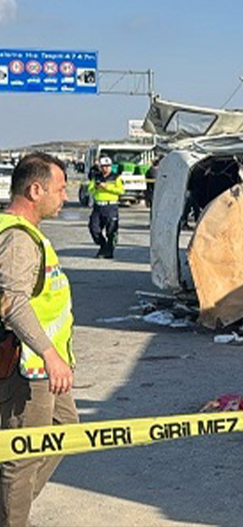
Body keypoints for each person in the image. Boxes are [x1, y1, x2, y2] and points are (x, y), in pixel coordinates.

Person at [0, 153, 78, 527]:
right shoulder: (17, 238)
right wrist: (49, 353)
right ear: (35, 190)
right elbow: (12, 303)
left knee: (65, 431)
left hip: (46, 366)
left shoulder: (28, 234)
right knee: (24, 455)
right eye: (60, 189)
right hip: (29, 366)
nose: (65, 197)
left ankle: (11, 510)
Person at [86, 156, 123, 258]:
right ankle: (103, 244)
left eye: (107, 166)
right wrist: (96, 187)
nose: (105, 168)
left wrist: (106, 187)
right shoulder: (96, 177)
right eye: (103, 166)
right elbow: (90, 189)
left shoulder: (116, 177)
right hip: (98, 206)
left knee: (111, 230)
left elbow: (120, 190)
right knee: (94, 228)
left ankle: (109, 250)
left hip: (111, 206)